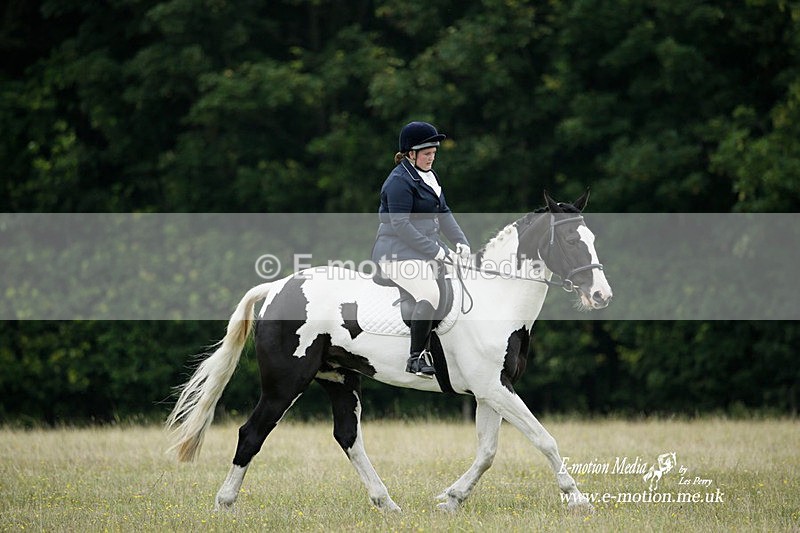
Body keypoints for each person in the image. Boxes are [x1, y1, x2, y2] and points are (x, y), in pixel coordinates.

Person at [372, 121, 471, 377]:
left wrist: (461, 242)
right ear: (410, 153)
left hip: (420, 250)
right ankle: (416, 358)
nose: (431, 158)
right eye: (426, 154)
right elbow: (402, 226)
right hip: (394, 252)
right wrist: (438, 252)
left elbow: (444, 212)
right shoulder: (398, 182)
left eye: (434, 153)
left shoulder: (429, 176)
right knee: (430, 293)